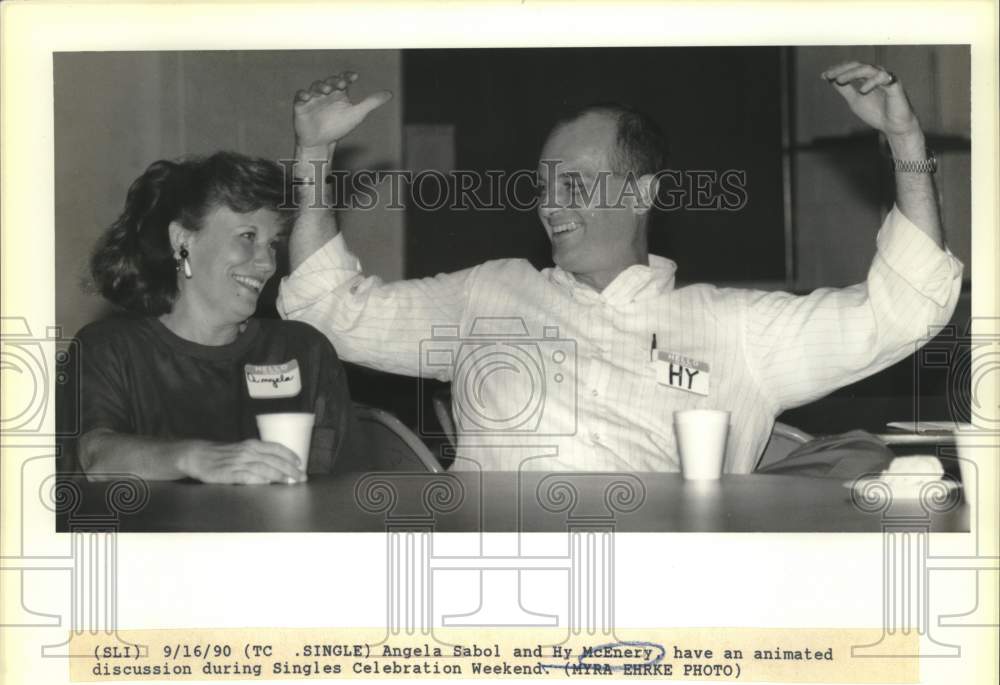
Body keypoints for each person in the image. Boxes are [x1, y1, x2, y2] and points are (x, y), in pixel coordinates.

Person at [277, 64, 963, 473]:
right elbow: (326, 312)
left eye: (575, 182)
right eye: (544, 185)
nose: (551, 204)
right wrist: (311, 158)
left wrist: (905, 142)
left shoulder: (734, 327)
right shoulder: (488, 293)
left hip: (661, 604)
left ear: (641, 193)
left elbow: (904, 310)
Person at [74, 151, 358, 484]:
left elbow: (339, 488)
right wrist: (197, 459)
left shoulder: (302, 351)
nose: (268, 263)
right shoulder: (111, 349)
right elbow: (98, 457)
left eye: (273, 244)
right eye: (248, 236)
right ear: (183, 241)